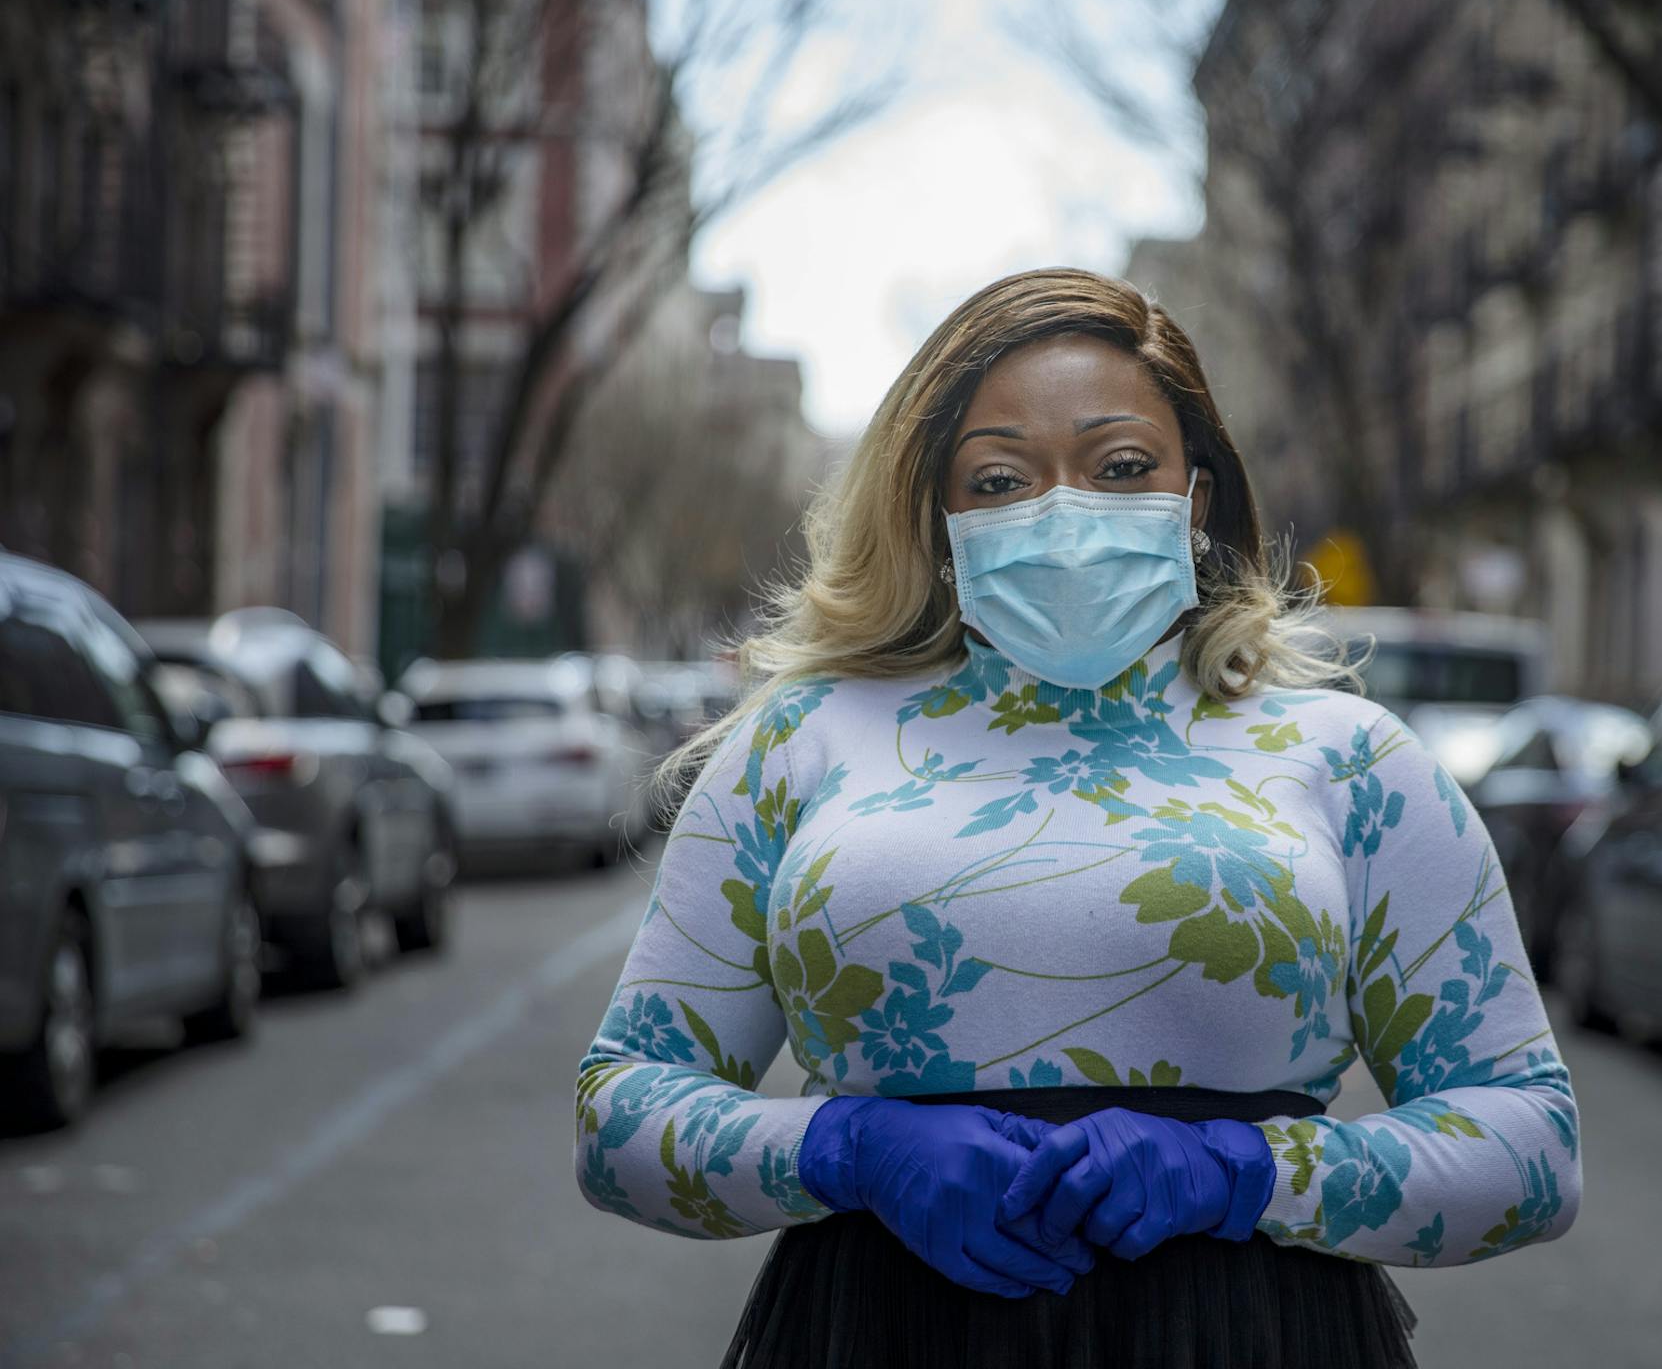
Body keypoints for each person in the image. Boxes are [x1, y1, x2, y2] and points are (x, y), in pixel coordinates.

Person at [574, 267, 1582, 1367]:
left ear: (1194, 500)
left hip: (1249, 1341)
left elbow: (1530, 1144)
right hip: (879, 1336)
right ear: (939, 517)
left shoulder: (1350, 761)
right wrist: (843, 1149)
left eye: (1120, 467)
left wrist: (1250, 1174)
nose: (1064, 512)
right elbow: (619, 1115)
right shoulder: (799, 743)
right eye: (1000, 478)